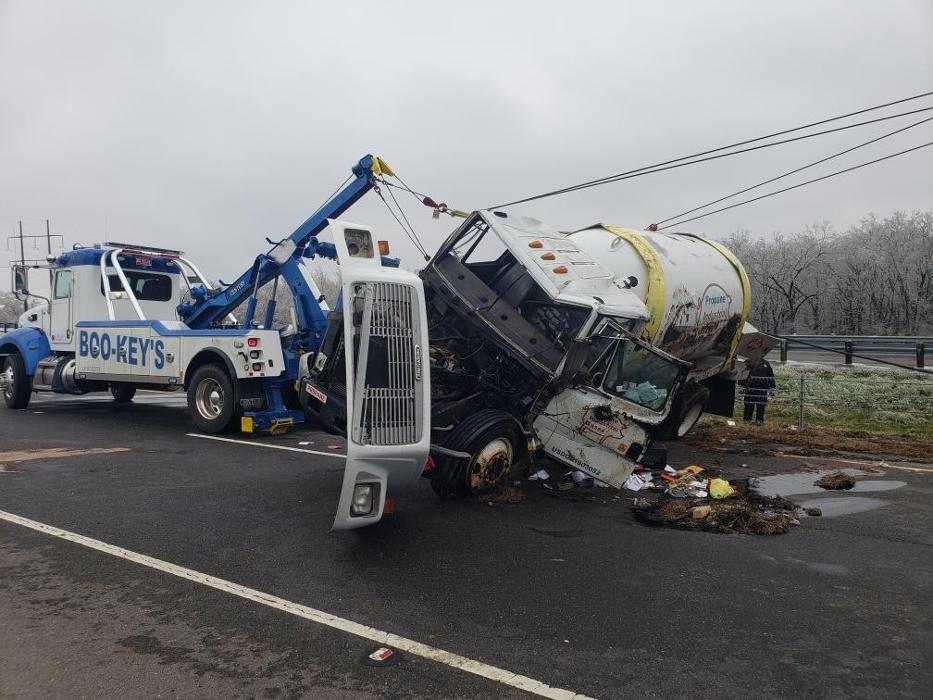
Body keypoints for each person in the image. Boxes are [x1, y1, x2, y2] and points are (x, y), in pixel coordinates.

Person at [743, 358, 776, 423]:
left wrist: (772, 387)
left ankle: (759, 420)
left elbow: (770, 375)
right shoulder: (748, 362)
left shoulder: (766, 363)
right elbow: (743, 374)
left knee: (761, 405)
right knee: (748, 405)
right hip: (750, 388)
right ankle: (747, 420)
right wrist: (742, 385)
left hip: (762, 389)